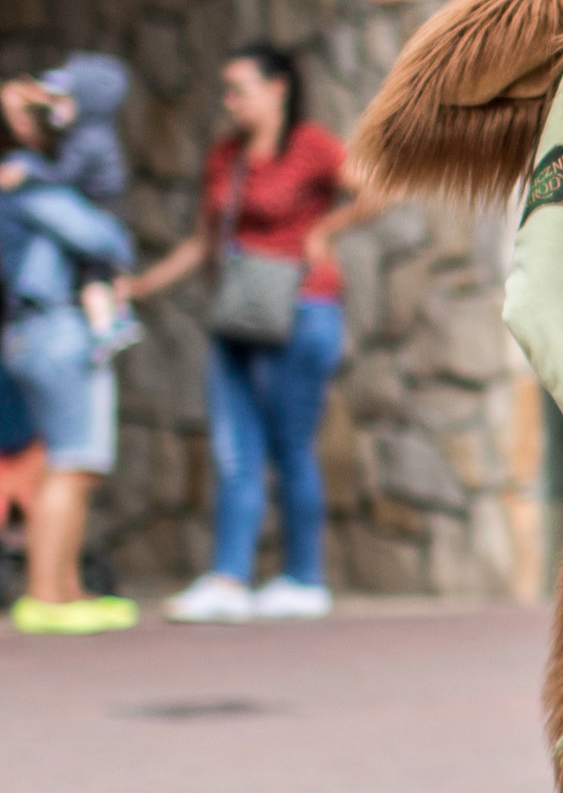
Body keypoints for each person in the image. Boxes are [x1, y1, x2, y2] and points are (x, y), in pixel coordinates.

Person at [122, 45, 380, 623]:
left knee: (291, 447)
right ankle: (229, 578)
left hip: (301, 307)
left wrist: (325, 230)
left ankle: (303, 578)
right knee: (235, 448)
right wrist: (139, 287)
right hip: (238, 313)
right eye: (226, 89)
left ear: (278, 87)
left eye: (239, 87)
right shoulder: (226, 156)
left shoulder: (311, 145)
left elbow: (376, 188)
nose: (229, 100)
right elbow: (201, 241)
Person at [1, 77, 138, 634]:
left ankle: (64, 587)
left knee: (69, 463)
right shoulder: (27, 186)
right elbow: (106, 239)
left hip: (33, 332)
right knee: (71, 463)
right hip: (55, 329)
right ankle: (47, 595)